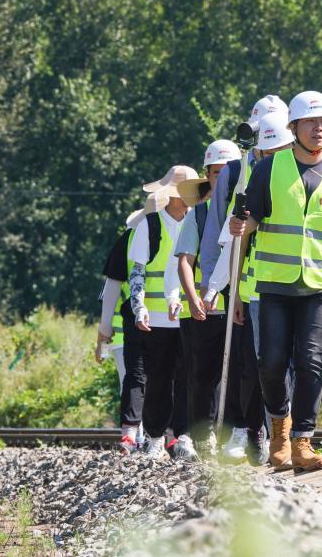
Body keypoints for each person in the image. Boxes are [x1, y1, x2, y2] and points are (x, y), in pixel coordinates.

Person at [230, 91, 322, 472]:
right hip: (274, 284)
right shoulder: (268, 169)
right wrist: (238, 283)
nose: (319, 128)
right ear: (293, 127)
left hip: (320, 286)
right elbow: (248, 227)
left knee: (311, 361)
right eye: (311, 122)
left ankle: (302, 441)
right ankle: (279, 427)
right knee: (271, 363)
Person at [204, 110, 294, 465]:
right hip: (255, 289)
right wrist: (220, 288)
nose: (271, 158)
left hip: (296, 288)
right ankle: (258, 433)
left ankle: (288, 436)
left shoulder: (305, 178)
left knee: (292, 365)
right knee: (259, 367)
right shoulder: (245, 180)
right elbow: (231, 240)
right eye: (267, 153)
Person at [165, 139, 241, 459]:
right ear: (207, 175)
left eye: (228, 172)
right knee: (202, 375)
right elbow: (185, 260)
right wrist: (192, 297)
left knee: (239, 373)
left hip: (239, 306)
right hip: (205, 309)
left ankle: (236, 433)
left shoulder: (247, 208)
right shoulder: (198, 213)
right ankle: (203, 434)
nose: (222, 178)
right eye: (216, 172)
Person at [127, 165, 198, 460]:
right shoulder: (150, 225)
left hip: (191, 314)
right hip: (156, 319)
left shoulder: (198, 220)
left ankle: (183, 436)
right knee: (158, 380)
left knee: (189, 378)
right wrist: (139, 306)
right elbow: (138, 271)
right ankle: (155, 437)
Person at [95, 225, 145, 454]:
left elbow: (106, 305)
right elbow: (107, 308)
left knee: (132, 384)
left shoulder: (126, 263)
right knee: (133, 384)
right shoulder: (129, 265)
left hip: (124, 335)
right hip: (123, 335)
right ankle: (139, 437)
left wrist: (102, 342)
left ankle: (140, 437)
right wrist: (102, 342)